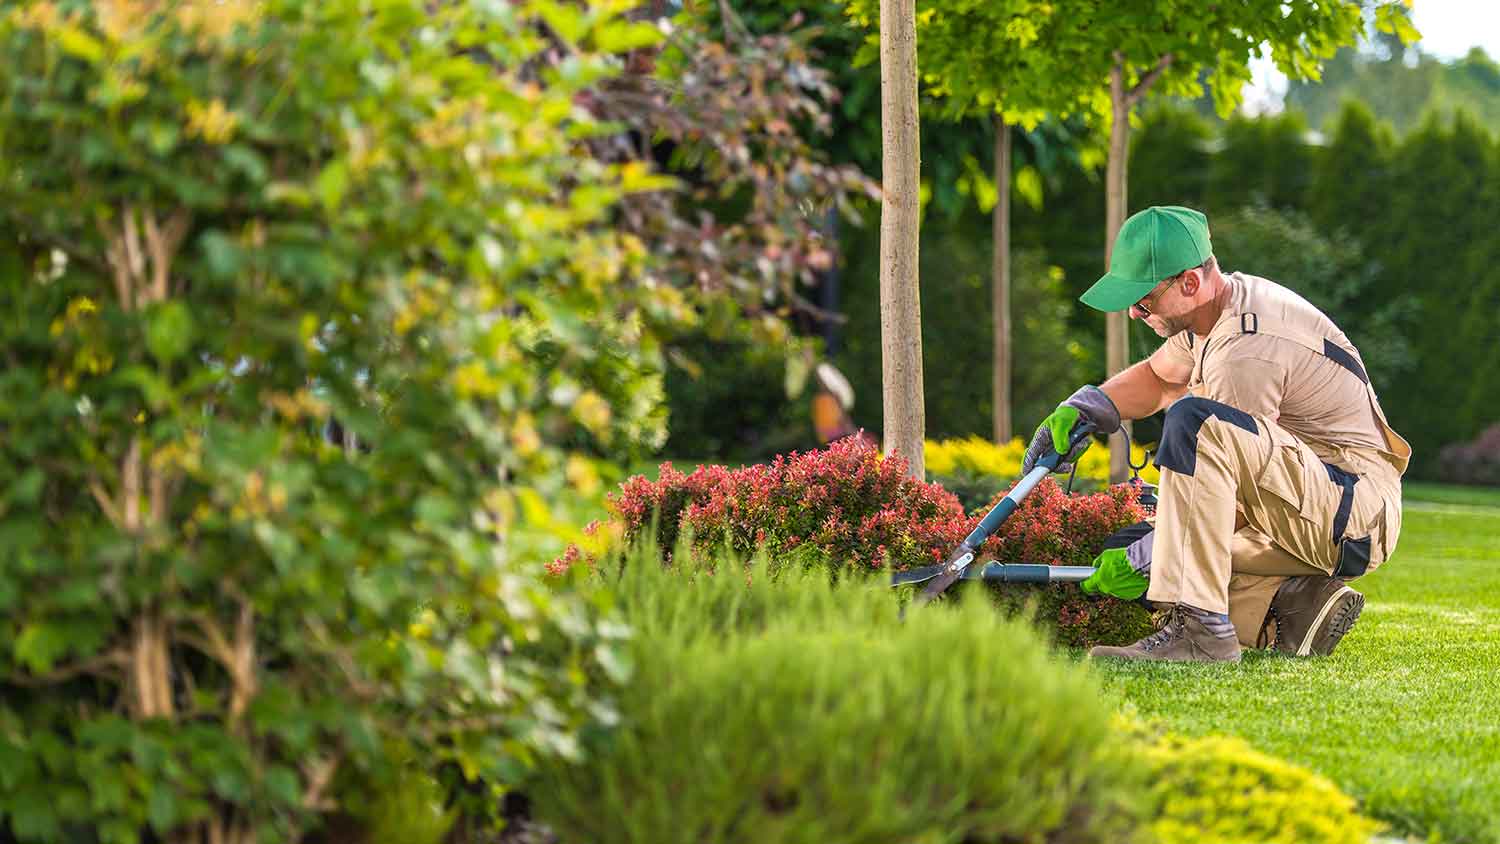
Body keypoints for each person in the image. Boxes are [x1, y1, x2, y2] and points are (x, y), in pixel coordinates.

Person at [1023, 206, 1411, 662]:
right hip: (1311, 499)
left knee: (1193, 431)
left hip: (1351, 511)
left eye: (1144, 300)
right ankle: (1295, 606)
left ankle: (1202, 632)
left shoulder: (1244, 353)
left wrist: (1152, 558)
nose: (1133, 313)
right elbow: (1160, 377)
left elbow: (1235, 498)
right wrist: (1089, 407)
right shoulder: (1212, 312)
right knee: (1143, 540)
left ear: (1189, 282)